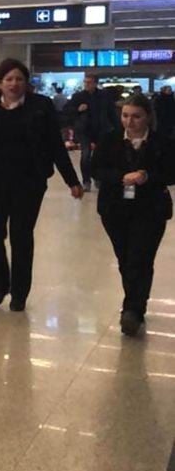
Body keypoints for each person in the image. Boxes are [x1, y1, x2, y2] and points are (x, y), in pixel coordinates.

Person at [0, 59, 83, 312]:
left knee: (21, 236)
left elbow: (55, 145)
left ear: (26, 82)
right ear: (0, 82)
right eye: (9, 79)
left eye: (19, 79)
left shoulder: (41, 106)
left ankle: (20, 292)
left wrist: (72, 181)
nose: (14, 84)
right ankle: (0, 285)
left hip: (30, 182)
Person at [91, 94, 175, 337]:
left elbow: (171, 173)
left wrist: (147, 176)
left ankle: (132, 309)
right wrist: (120, 177)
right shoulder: (109, 140)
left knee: (141, 257)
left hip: (150, 210)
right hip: (115, 209)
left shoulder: (163, 142)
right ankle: (136, 303)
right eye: (125, 116)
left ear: (148, 116)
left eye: (136, 116)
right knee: (126, 258)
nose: (130, 122)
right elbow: (97, 169)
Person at [69, 73, 119, 191]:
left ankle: (98, 178)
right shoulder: (78, 96)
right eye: (85, 82)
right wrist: (78, 109)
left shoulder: (104, 96)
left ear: (95, 84)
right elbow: (68, 110)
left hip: (101, 130)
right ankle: (86, 180)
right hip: (84, 130)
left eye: (89, 82)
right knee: (85, 155)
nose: (87, 84)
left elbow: (111, 112)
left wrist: (117, 128)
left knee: (100, 156)